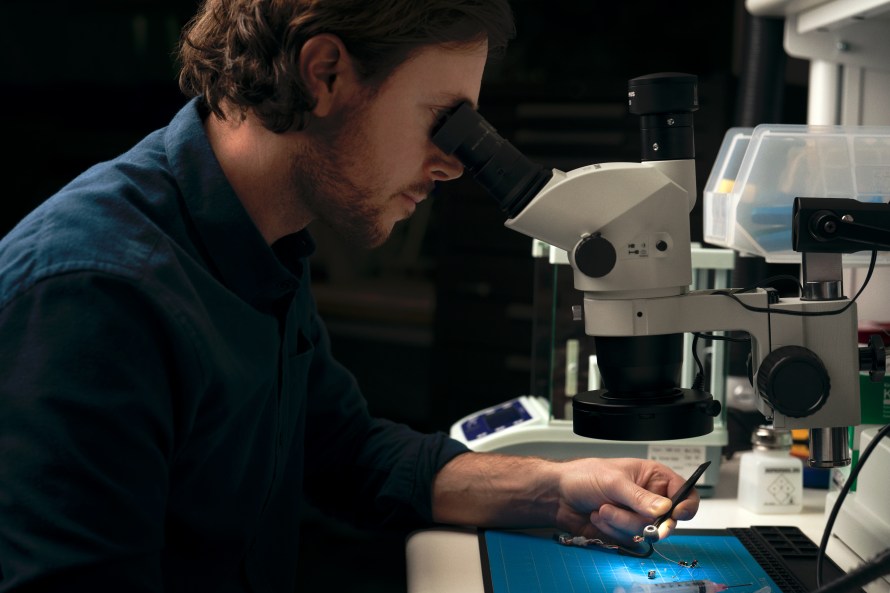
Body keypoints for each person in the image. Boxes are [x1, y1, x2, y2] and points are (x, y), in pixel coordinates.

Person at [0, 1, 701, 591]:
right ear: (325, 72)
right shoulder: (93, 299)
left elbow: (346, 451)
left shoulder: (263, 240)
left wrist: (559, 488)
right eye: (443, 119)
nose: (455, 164)